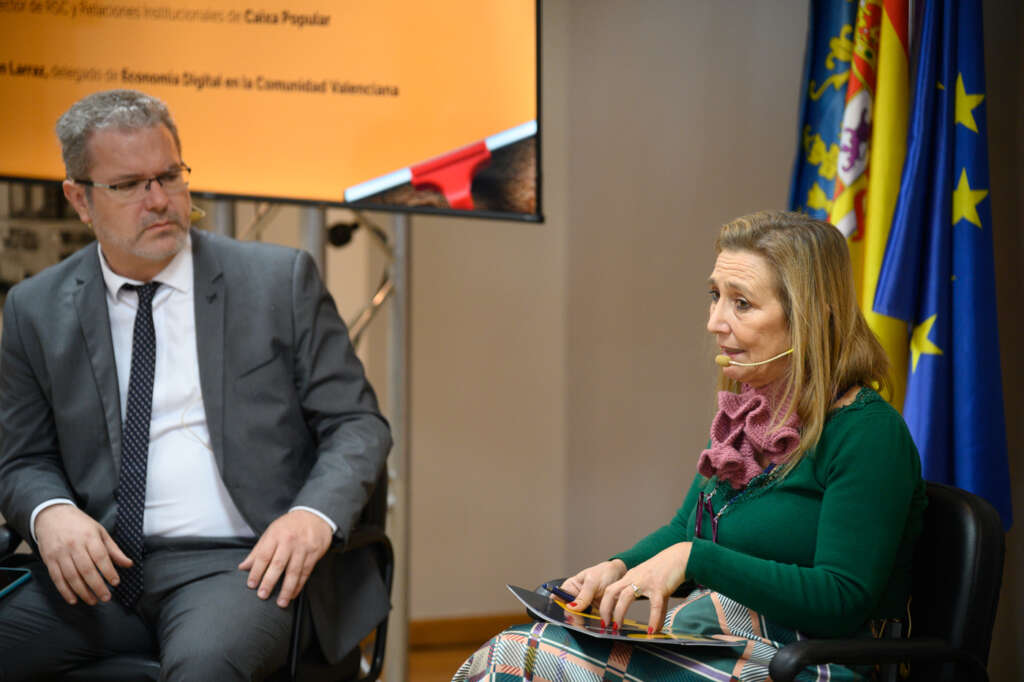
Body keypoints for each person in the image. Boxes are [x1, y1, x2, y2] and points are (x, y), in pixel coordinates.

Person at [0, 89, 392, 680]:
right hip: (101, 569)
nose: (159, 200)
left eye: (169, 176)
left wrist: (311, 515)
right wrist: (50, 512)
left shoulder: (277, 283)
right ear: (79, 199)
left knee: (204, 668)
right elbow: (22, 456)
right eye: (129, 185)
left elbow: (357, 424)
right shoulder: (35, 308)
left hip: (238, 566)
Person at [454, 210, 927, 681]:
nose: (715, 322)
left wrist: (695, 559)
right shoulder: (746, 416)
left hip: (810, 664)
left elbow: (841, 602)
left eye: (742, 303)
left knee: (520, 657)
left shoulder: (867, 434)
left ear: (812, 315)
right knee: (524, 647)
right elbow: (687, 529)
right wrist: (617, 569)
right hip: (729, 646)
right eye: (715, 296)